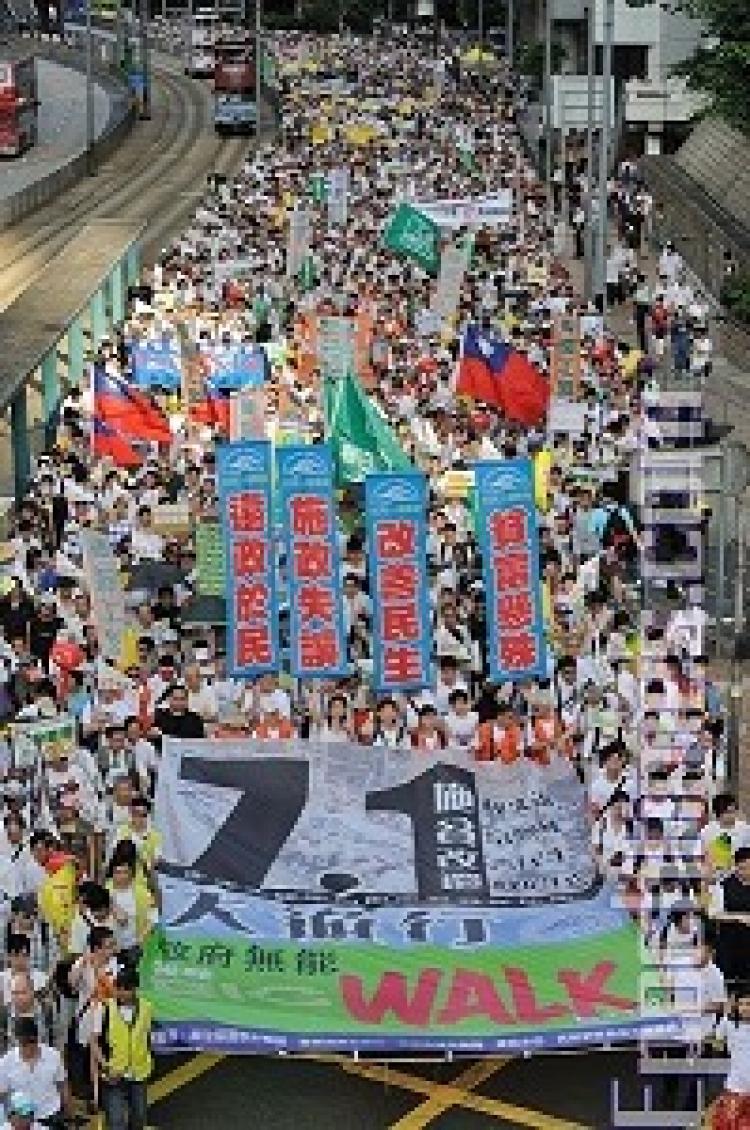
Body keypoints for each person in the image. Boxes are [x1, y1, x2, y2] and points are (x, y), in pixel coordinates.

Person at [91, 967, 153, 1130]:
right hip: (114, 1075)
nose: (122, 993)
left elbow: (146, 1038)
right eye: (119, 988)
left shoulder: (147, 1008)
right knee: (116, 1121)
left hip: (139, 1073)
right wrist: (106, 1066)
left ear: (135, 988)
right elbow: (94, 1042)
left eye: (127, 989)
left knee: (139, 1118)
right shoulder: (104, 1008)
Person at [0, 1018, 69, 1128]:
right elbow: (2, 1094)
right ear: (17, 1041)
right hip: (22, 1122)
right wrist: (10, 1117)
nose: (28, 1048)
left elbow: (62, 1084)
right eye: (23, 1044)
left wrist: (66, 1108)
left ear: (37, 1038)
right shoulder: (6, 1062)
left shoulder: (53, 1055)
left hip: (51, 1116)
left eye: (31, 1042)